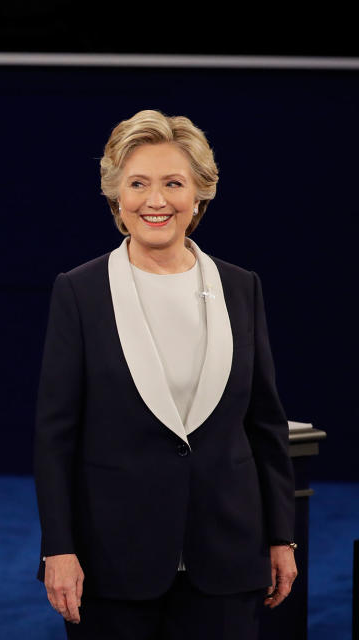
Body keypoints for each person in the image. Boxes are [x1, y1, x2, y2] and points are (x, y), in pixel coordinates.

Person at [33, 110, 297, 639]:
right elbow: (55, 435)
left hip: (227, 557)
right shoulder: (80, 292)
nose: (156, 201)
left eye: (173, 183)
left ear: (199, 193)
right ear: (116, 196)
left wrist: (280, 537)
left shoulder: (241, 287)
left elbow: (264, 424)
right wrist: (58, 549)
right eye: (138, 184)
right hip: (113, 562)